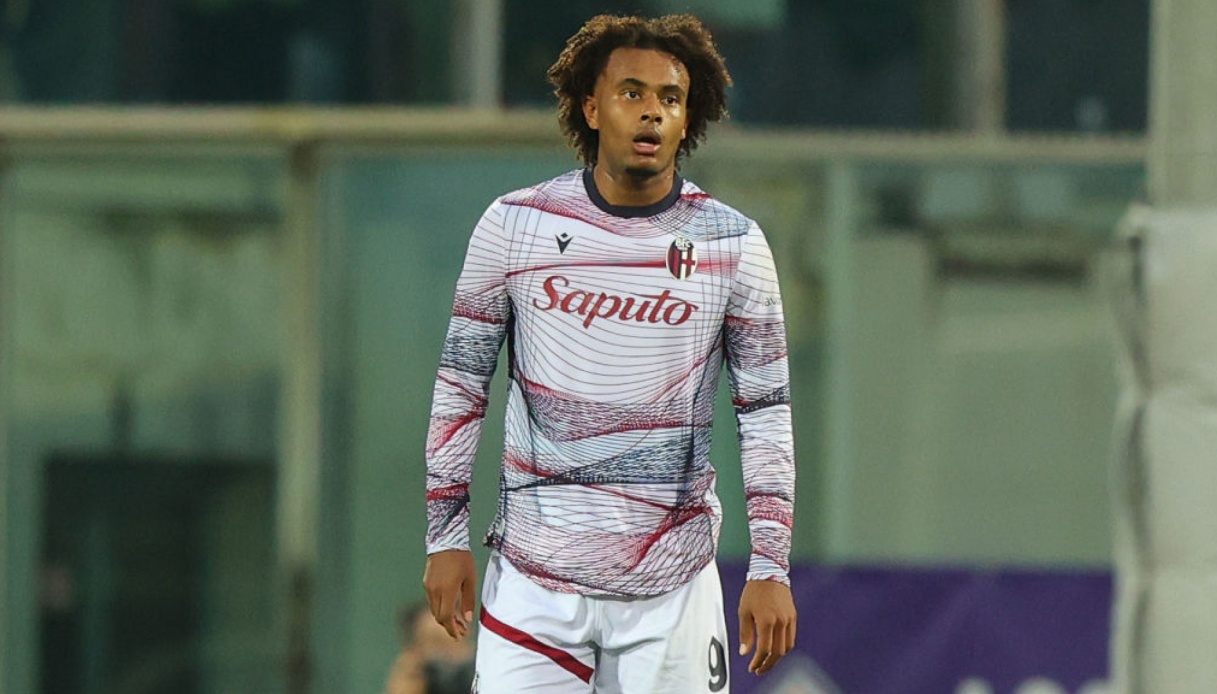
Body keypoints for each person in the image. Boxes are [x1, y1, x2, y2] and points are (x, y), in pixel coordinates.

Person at [422, 14, 797, 693]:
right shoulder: (515, 226)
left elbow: (765, 411)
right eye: (631, 93)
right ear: (591, 108)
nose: (652, 111)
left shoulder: (732, 245)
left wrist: (771, 566)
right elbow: (461, 385)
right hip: (533, 583)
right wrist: (444, 535)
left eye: (671, 98)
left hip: (670, 586)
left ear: (689, 118)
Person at [384, 601, 476, 694]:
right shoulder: (417, 673)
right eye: (438, 642)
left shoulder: (476, 677)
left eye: (456, 641)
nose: (448, 655)